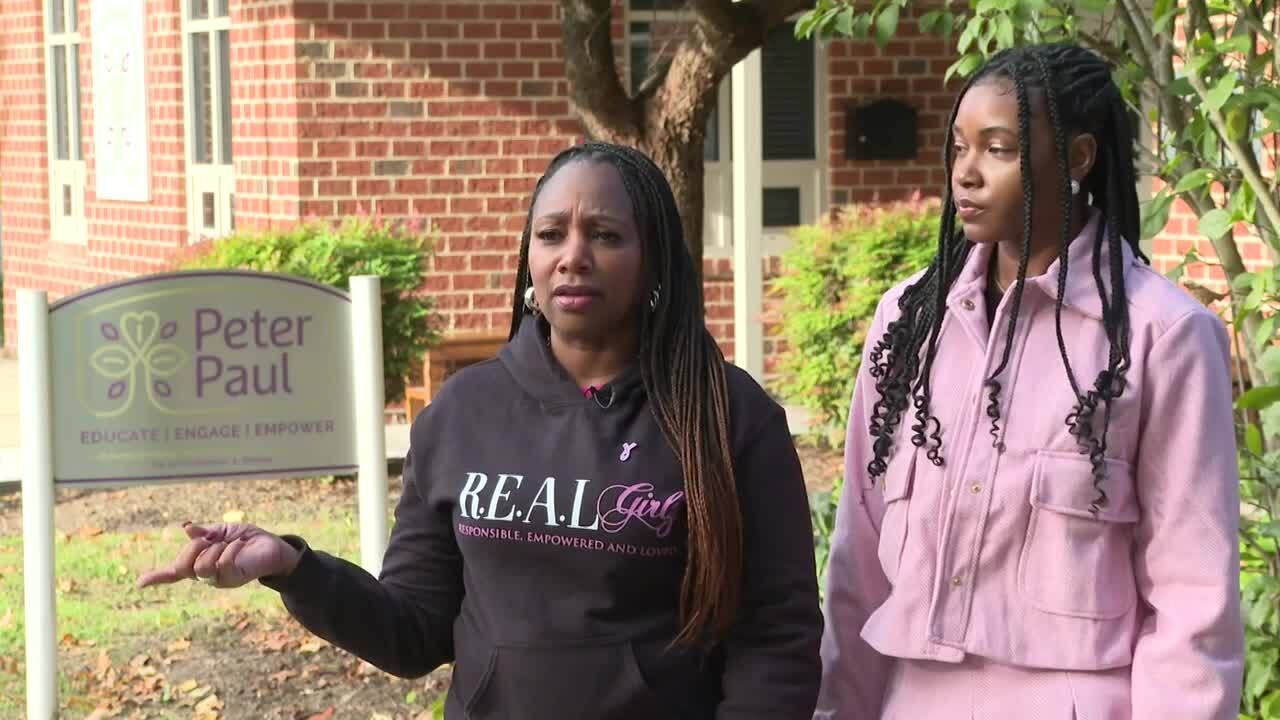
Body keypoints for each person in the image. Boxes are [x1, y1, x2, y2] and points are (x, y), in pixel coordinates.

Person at [139, 142, 824, 718]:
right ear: (529, 256)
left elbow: (776, 637)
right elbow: (412, 629)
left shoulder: (727, 418)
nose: (573, 256)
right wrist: (294, 568)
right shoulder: (464, 411)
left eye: (606, 235)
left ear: (654, 263)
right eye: (552, 233)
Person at [814, 43, 1243, 719]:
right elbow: (858, 562)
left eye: (999, 149)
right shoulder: (909, 322)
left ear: (1077, 159)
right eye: (959, 148)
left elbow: (1193, 603)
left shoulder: (1166, 337)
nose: (967, 174)